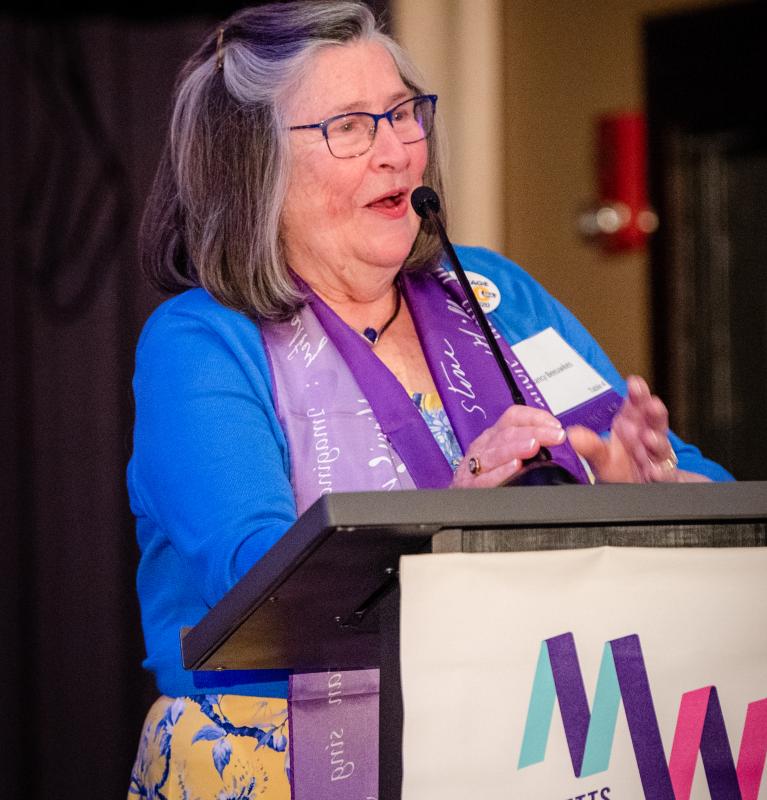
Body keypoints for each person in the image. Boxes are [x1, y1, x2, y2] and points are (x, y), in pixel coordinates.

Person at [126, 2, 732, 797]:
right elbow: (258, 596)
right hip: (304, 761)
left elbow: (708, 492)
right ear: (254, 165)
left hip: (542, 740)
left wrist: (644, 493)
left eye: (404, 113)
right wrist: (445, 520)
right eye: (350, 126)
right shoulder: (203, 341)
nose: (397, 151)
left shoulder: (494, 293)